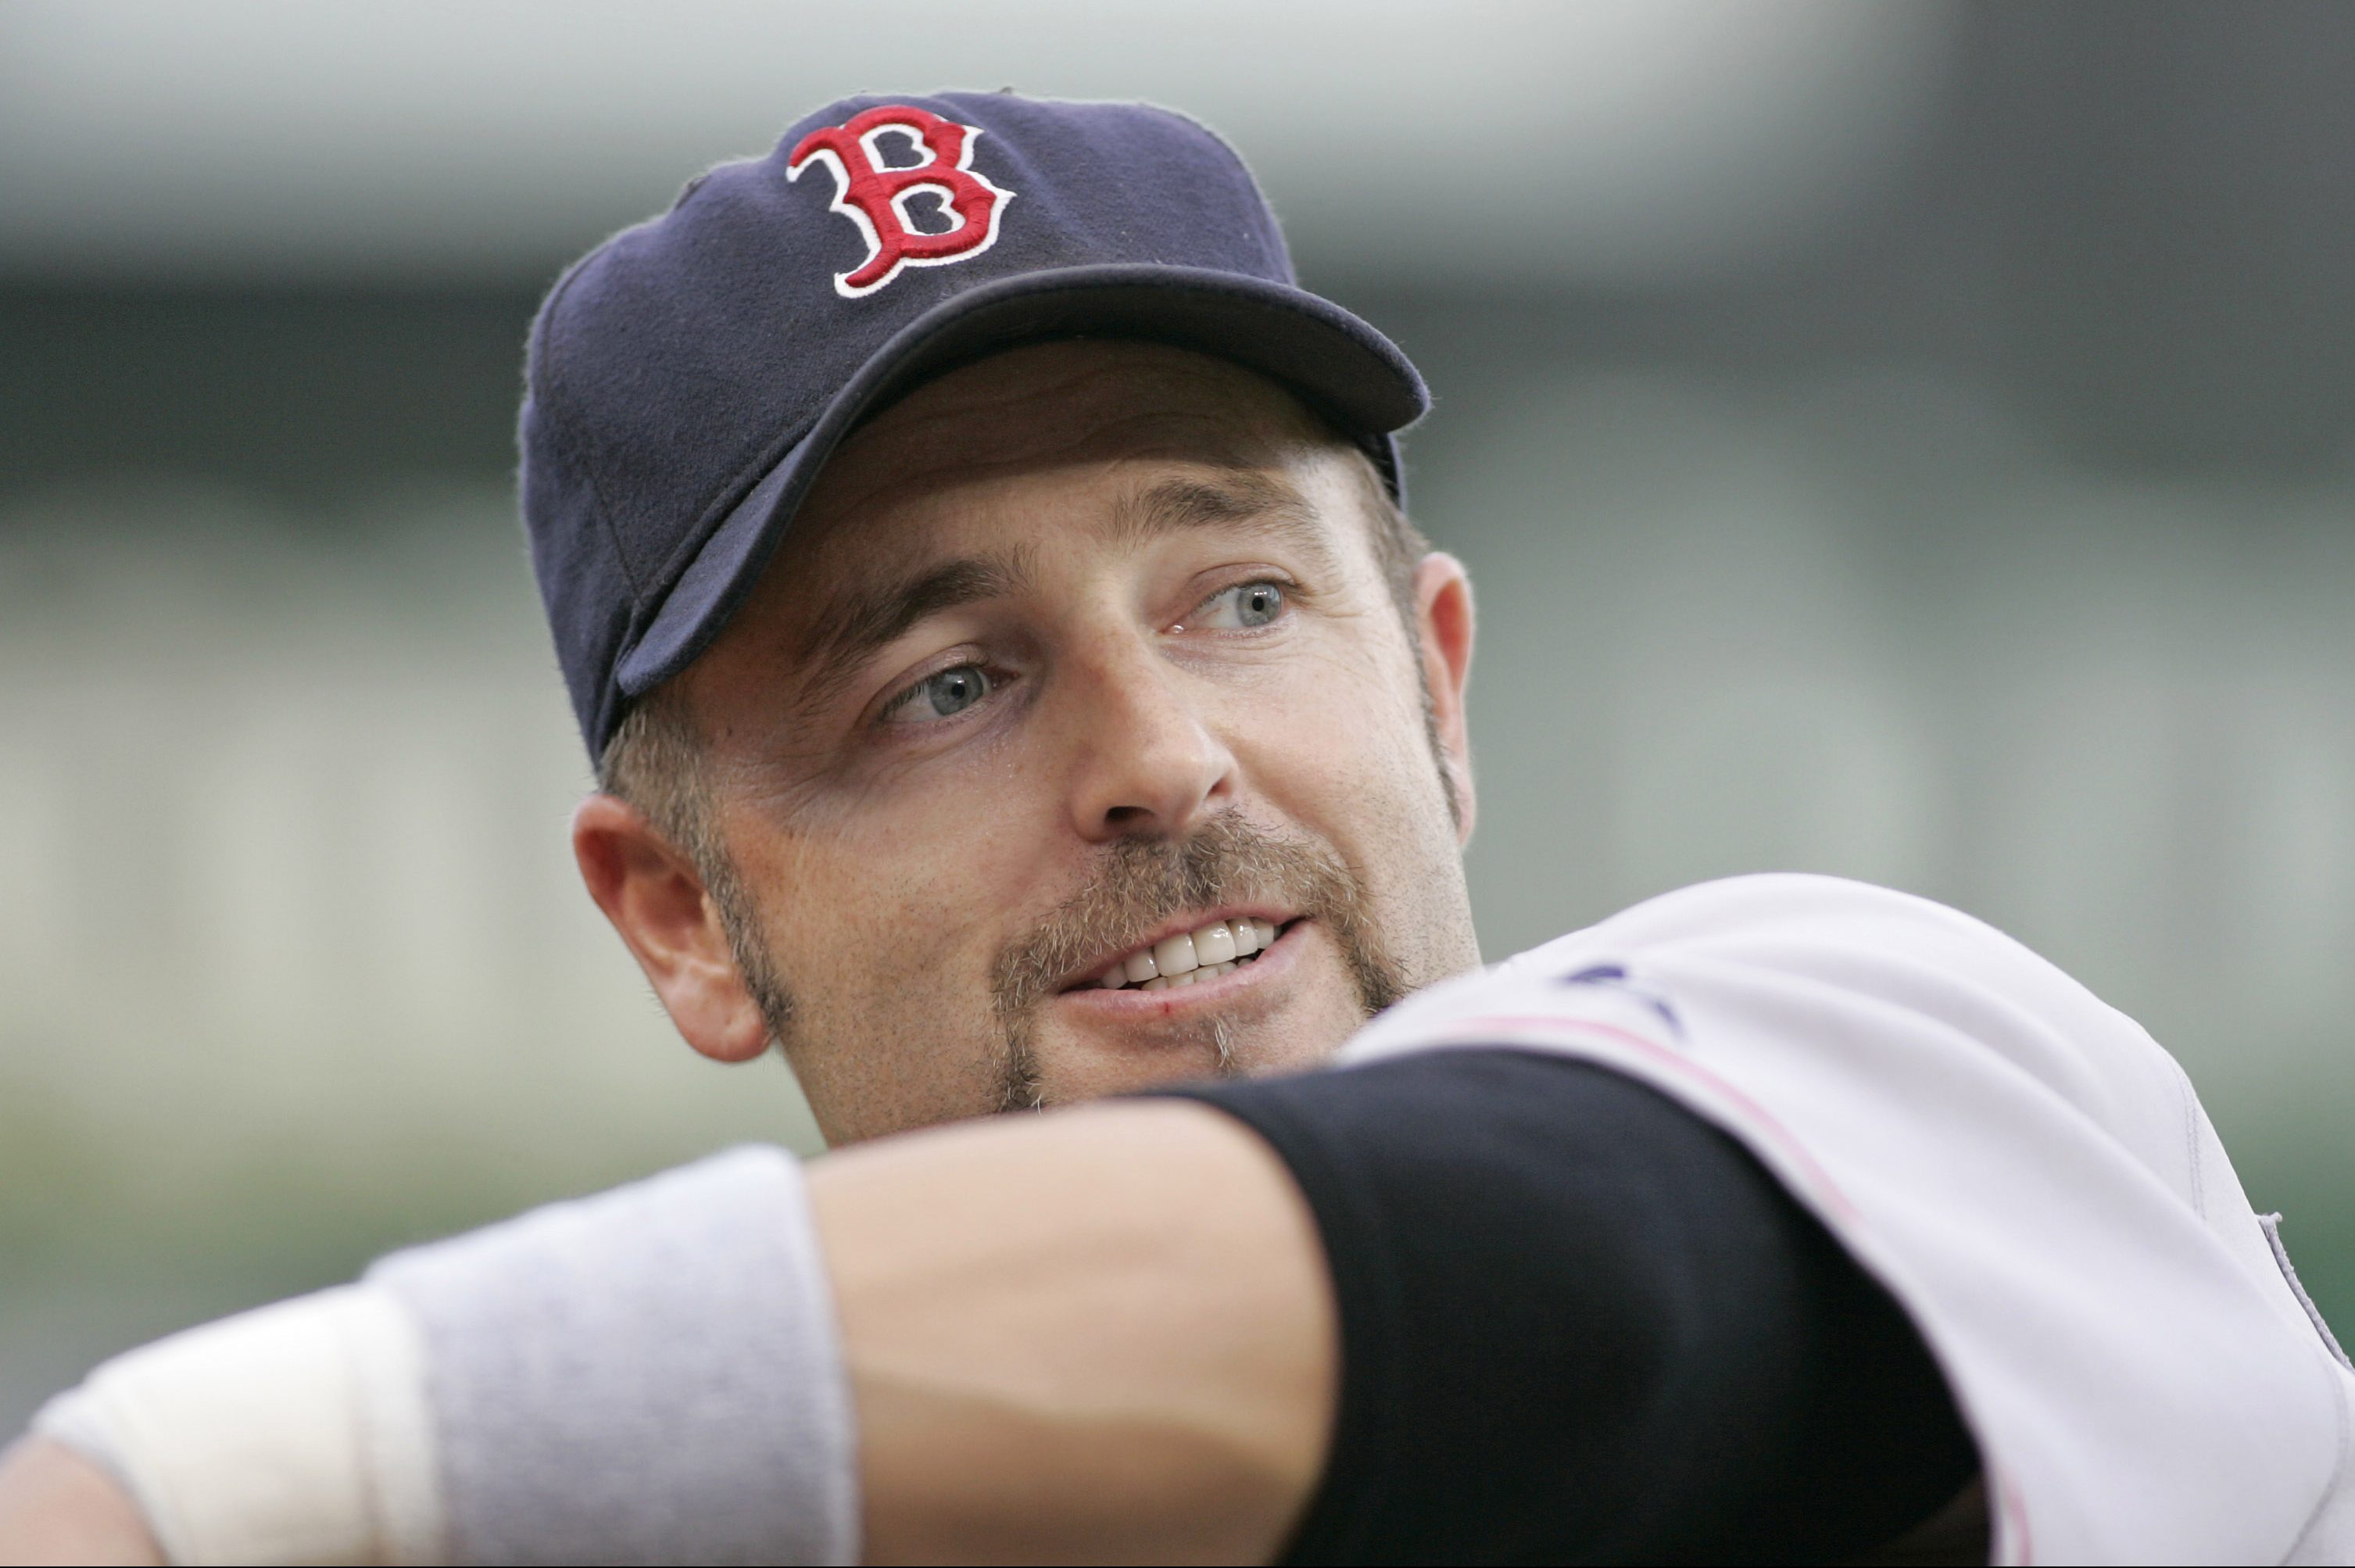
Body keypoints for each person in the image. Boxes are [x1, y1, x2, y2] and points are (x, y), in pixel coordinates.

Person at [2, 91, 2350, 1566]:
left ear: (1435, 688)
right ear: (685, 916)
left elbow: (1576, 1293)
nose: (1163, 756)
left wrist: (216, 1474)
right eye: (947, 683)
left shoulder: (1870, 1049)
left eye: (1240, 598)